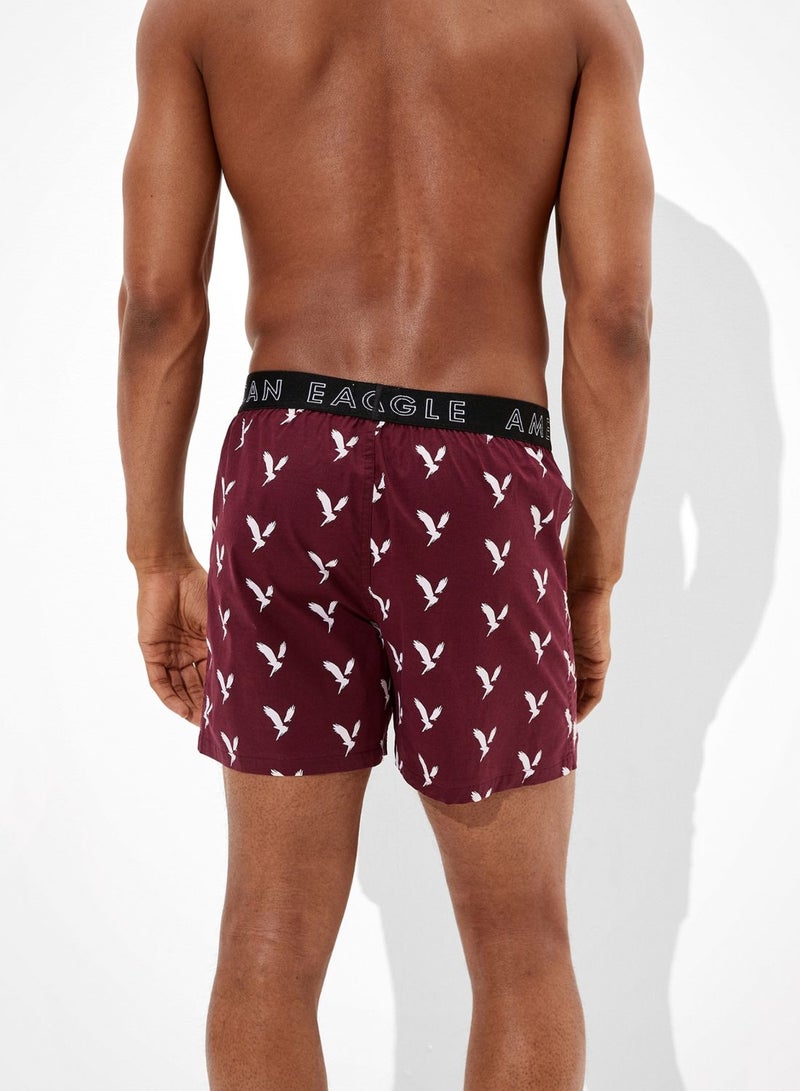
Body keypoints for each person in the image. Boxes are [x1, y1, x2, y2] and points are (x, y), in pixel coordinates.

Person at [117, 0, 653, 1086]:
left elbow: (159, 309)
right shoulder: (578, 15)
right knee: (521, 943)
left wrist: (155, 549)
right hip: (479, 469)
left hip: (287, 461)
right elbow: (613, 319)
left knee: (268, 936)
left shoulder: (196, 12)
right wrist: (592, 566)